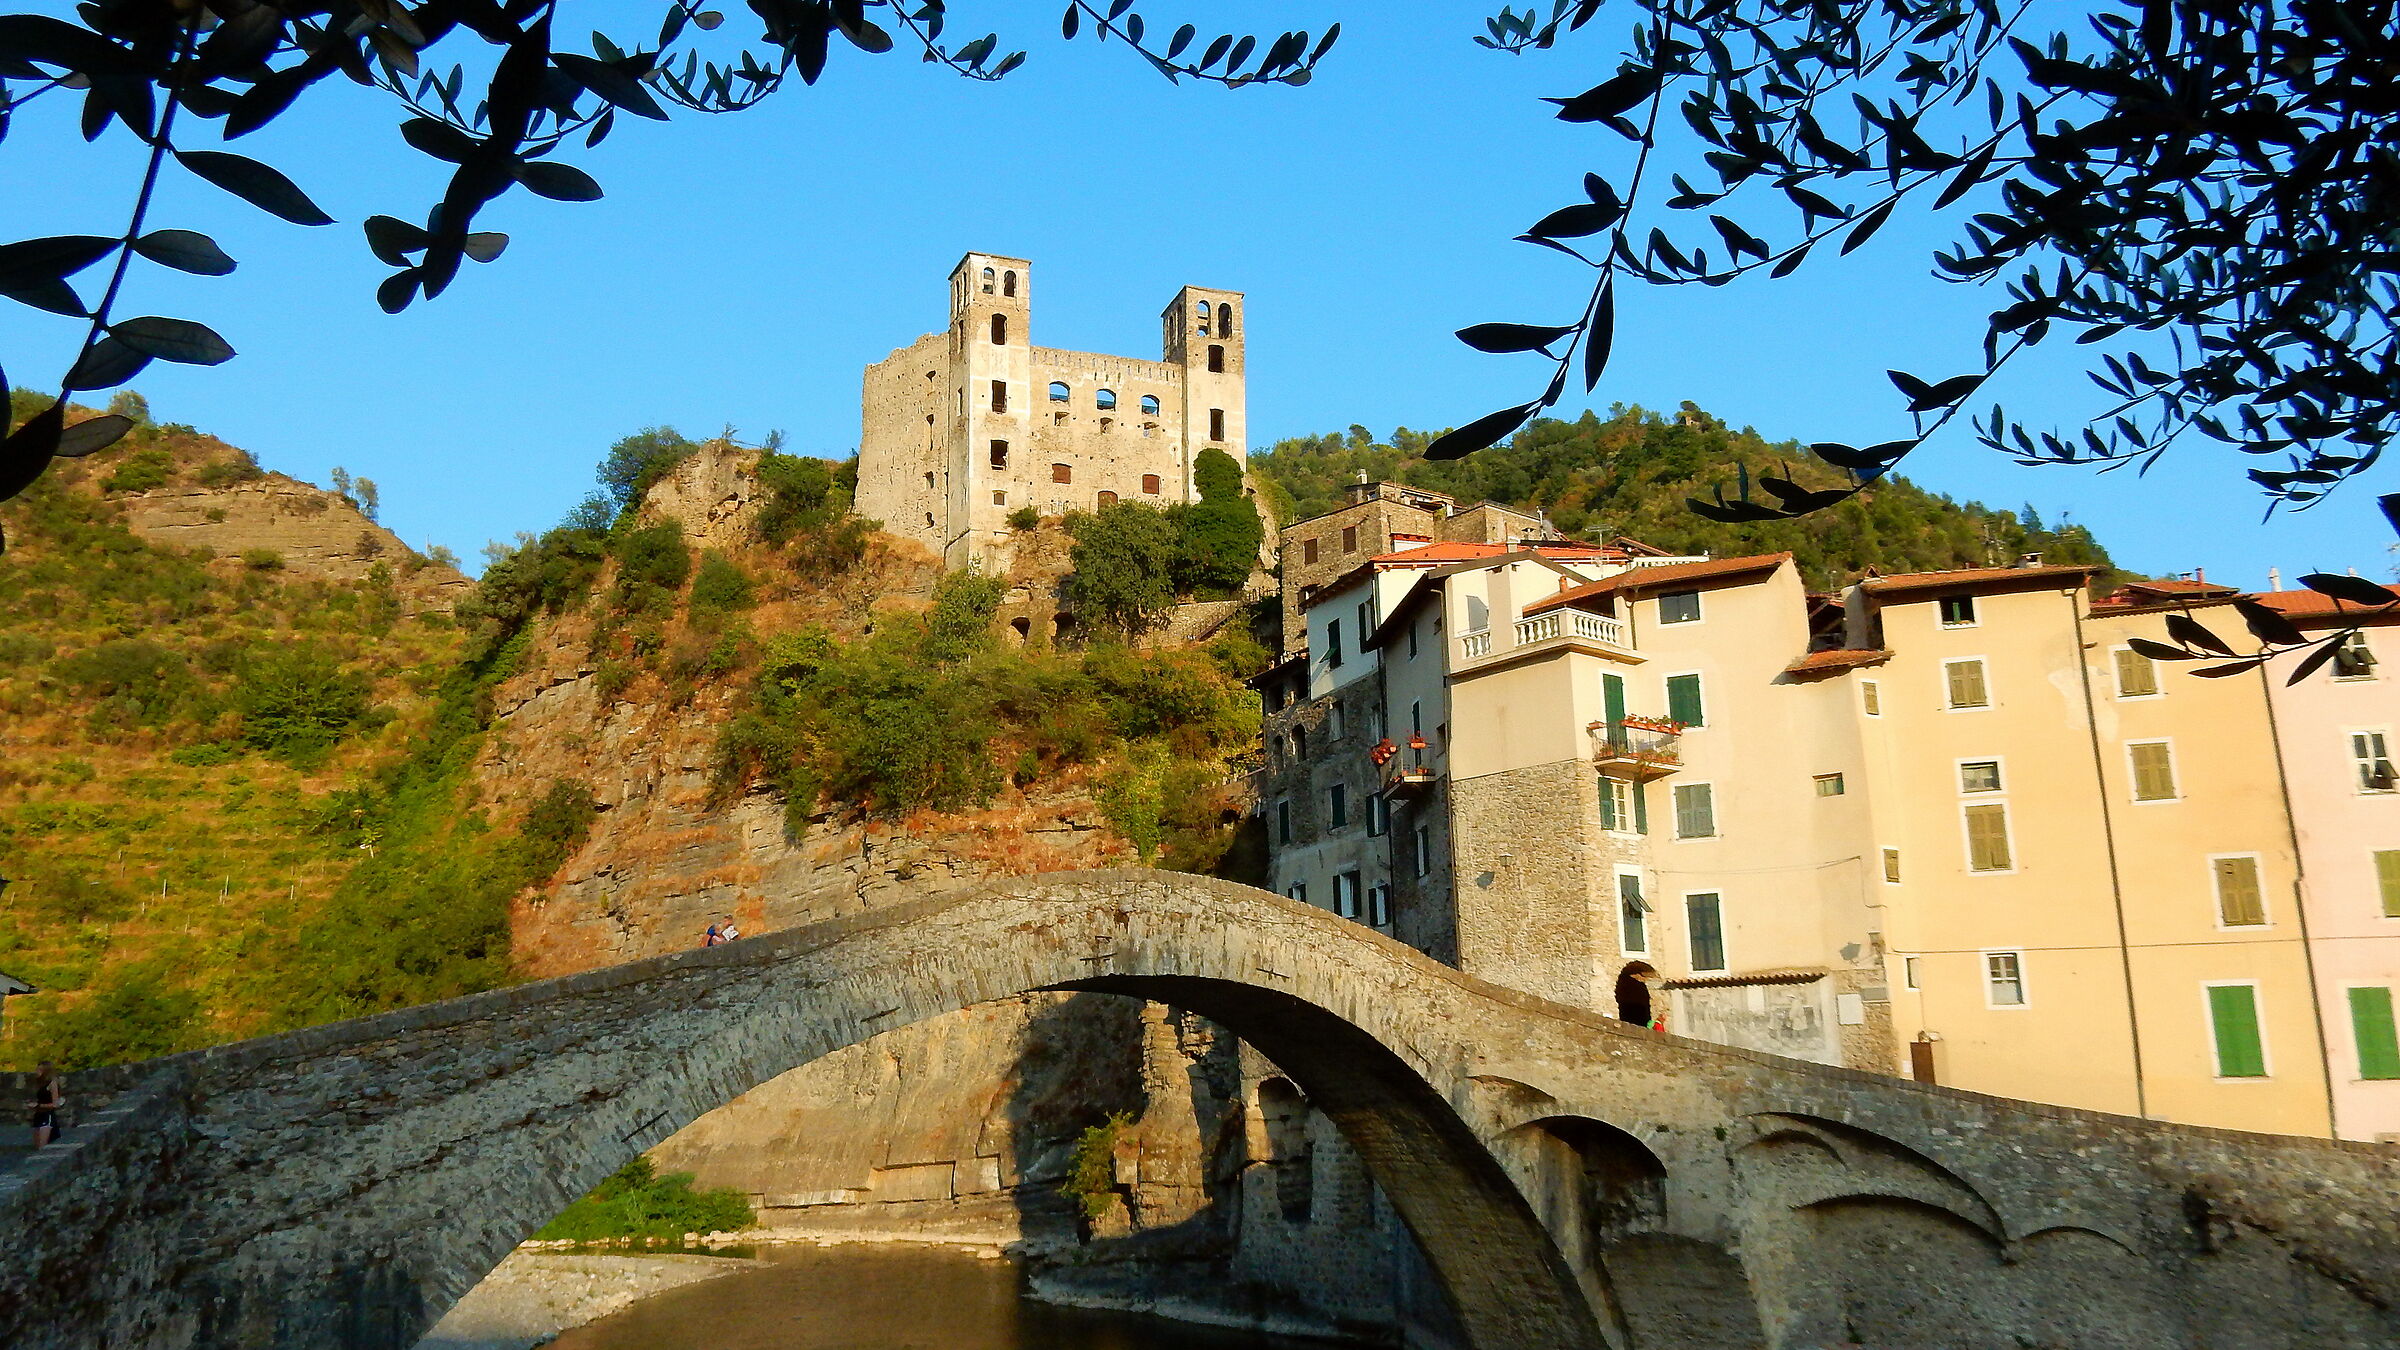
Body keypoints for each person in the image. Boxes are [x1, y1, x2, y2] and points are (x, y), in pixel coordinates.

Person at [29, 1061, 62, 1148]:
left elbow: (56, 1104)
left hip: (47, 1115)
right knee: (36, 1145)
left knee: (42, 1145)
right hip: (38, 1114)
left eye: (40, 1070)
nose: (37, 1072)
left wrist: (38, 1105)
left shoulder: (52, 1083)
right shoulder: (40, 1083)